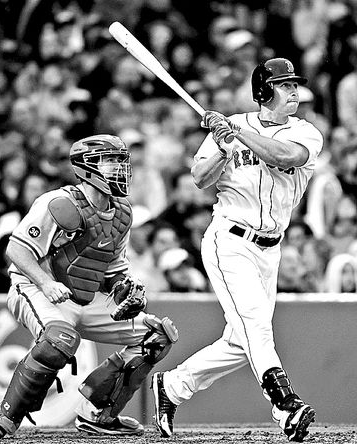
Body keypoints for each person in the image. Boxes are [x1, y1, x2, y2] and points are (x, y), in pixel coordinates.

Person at [151, 58, 323, 442]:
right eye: (284, 85)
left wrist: (236, 136)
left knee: (240, 339)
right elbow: (199, 178)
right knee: (256, 325)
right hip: (229, 239)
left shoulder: (307, 132)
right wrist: (222, 149)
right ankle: (285, 404)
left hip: (271, 248)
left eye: (295, 84)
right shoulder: (231, 128)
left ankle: (174, 386)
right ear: (264, 91)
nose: (294, 91)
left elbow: (285, 157)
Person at [0, 134, 178, 438]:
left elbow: (113, 272)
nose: (119, 168)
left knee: (157, 335)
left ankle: (98, 413)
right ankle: (8, 415)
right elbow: (17, 250)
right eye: (110, 161)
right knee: (60, 339)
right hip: (36, 286)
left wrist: (128, 292)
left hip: (84, 296)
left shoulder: (123, 213)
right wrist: (46, 284)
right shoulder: (58, 203)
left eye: (120, 161)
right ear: (87, 166)